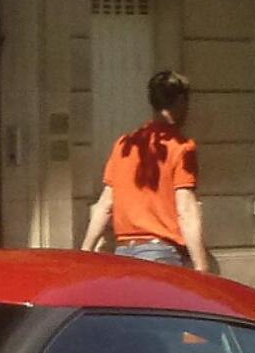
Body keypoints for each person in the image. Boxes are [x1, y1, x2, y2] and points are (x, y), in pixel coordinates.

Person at [81, 70, 213, 272]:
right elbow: (186, 210)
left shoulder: (125, 144)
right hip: (162, 253)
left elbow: (105, 205)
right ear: (180, 101)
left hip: (124, 254)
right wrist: (201, 267)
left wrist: (85, 251)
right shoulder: (181, 147)